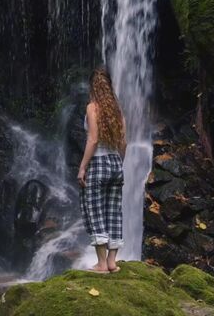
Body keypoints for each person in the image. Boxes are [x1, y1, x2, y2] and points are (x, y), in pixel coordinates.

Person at [77, 67, 127, 273]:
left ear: (93, 88)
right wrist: (119, 163)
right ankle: (112, 261)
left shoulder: (92, 108)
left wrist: (82, 168)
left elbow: (94, 139)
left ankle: (101, 263)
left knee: (94, 209)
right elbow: (124, 142)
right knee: (113, 211)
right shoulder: (117, 110)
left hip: (98, 164)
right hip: (116, 163)